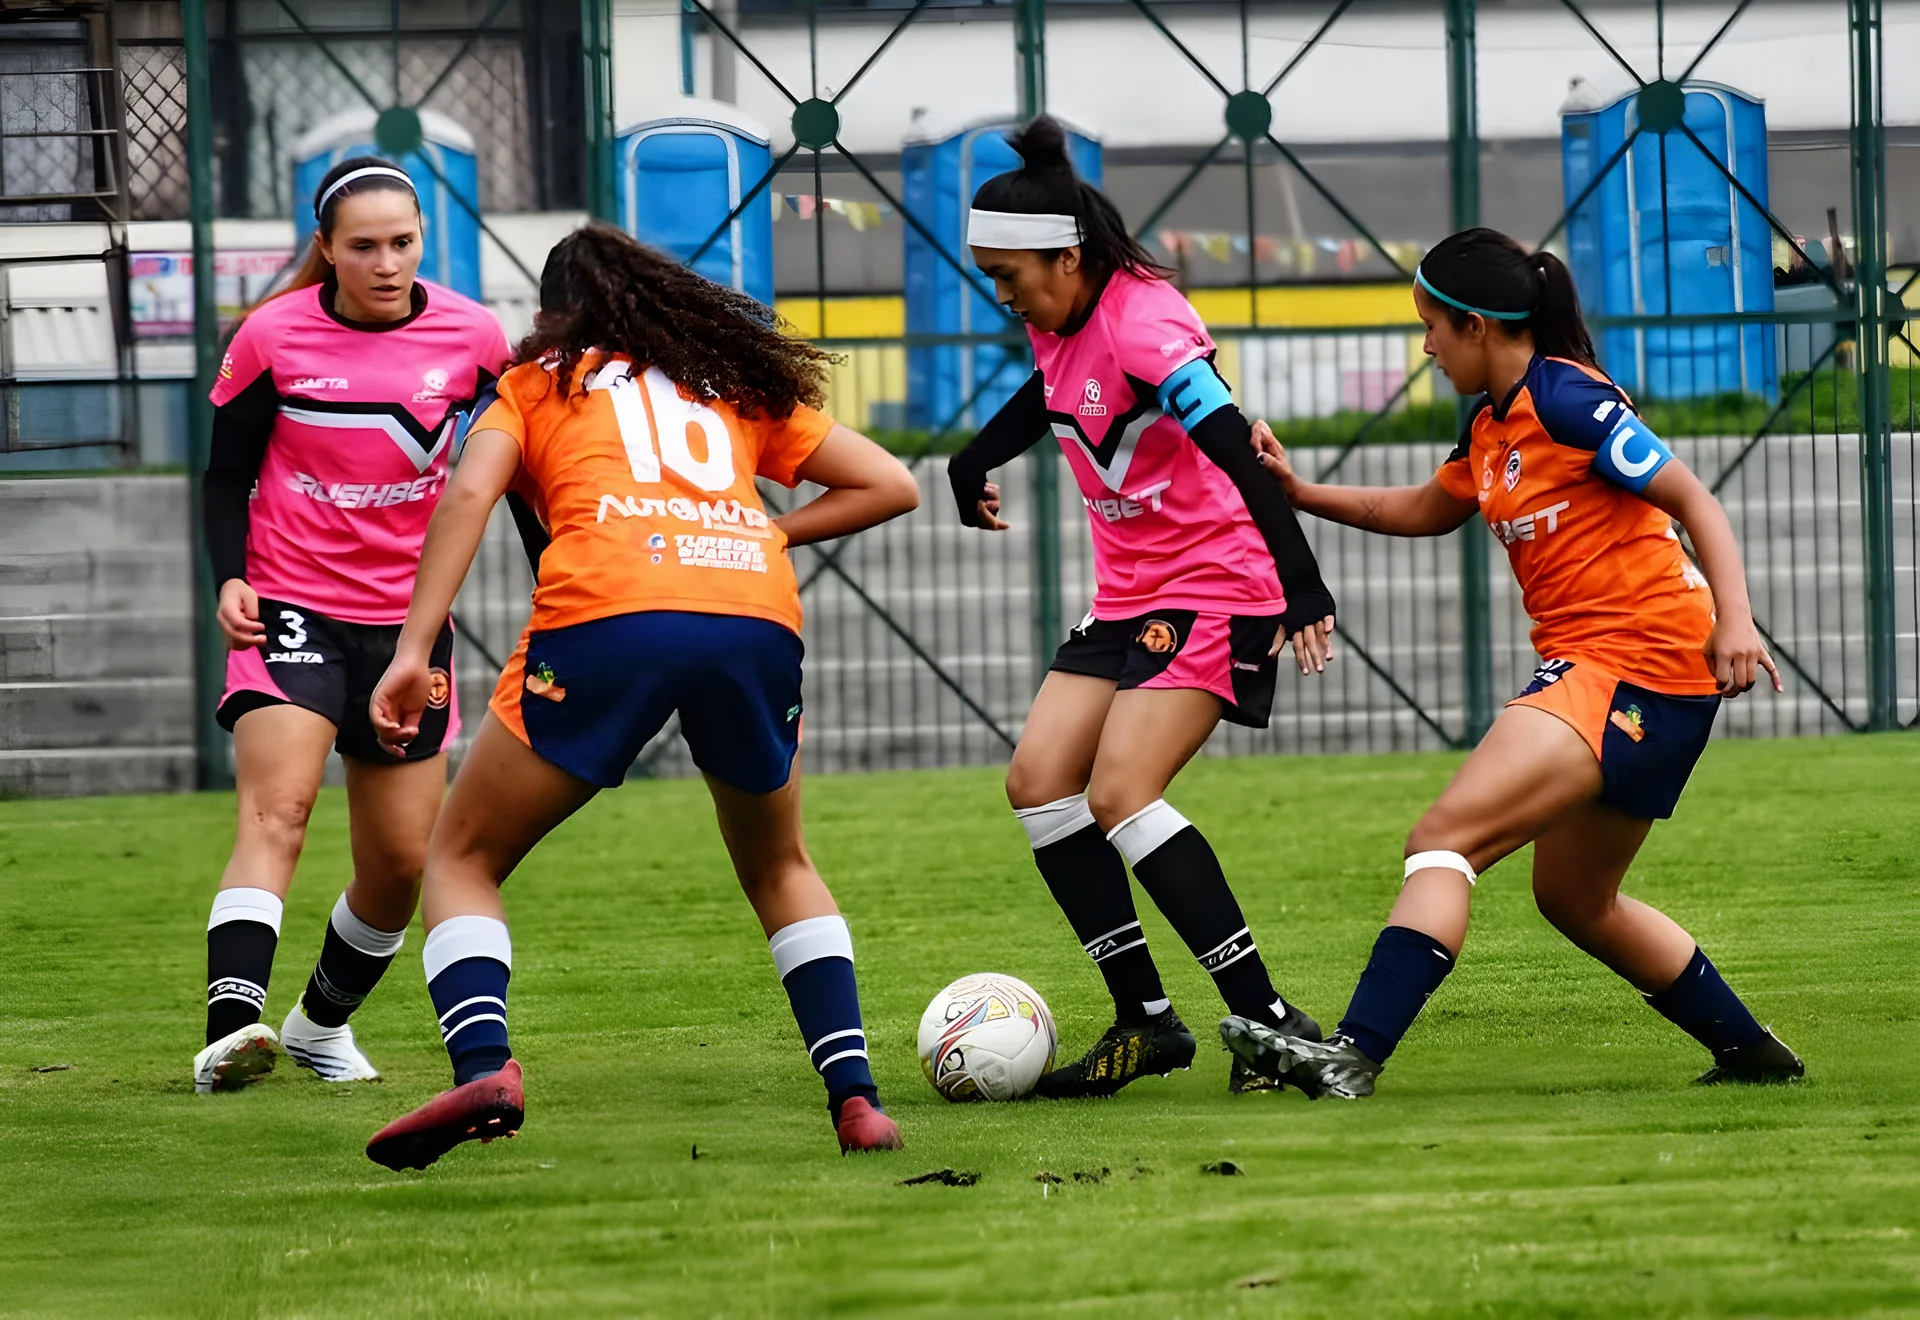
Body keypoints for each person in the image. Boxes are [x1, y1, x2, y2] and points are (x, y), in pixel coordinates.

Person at [360, 225, 920, 1170]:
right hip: (752, 614)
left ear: (552, 317)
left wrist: (413, 649)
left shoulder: (538, 384)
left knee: (461, 854)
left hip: (608, 614)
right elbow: (892, 484)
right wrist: (768, 539)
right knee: (780, 865)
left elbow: (467, 498)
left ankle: (486, 1067)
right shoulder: (725, 382)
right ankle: (856, 1099)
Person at [1222, 227, 1804, 1098]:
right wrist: (1304, 495)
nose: (1425, 345)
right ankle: (1752, 1052)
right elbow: (1423, 506)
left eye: (1431, 327)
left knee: (1443, 840)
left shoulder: (1569, 400)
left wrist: (1737, 620)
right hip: (1629, 672)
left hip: (1634, 662)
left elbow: (1693, 500)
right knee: (1575, 900)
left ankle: (1352, 1052)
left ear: (1479, 326)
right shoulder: (1492, 425)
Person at [945, 117, 1338, 1099]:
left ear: (1068, 259)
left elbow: (1239, 451)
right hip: (1127, 596)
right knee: (1038, 782)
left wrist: (1302, 586)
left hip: (1218, 584)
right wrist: (972, 458)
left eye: (1008, 277)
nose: (1003, 298)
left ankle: (1268, 1018)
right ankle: (1147, 1019)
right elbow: (1055, 392)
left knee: (1120, 791)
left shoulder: (1147, 324)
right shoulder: (1058, 315)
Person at [194, 156, 510, 1094]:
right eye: (363, 246)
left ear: (424, 241)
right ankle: (230, 1028)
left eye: (402, 243)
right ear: (326, 249)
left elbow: (514, 476)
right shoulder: (272, 335)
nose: (385, 262)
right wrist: (231, 577)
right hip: (289, 608)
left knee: (402, 866)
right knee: (278, 811)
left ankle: (318, 1027)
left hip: (412, 631)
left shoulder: (476, 337)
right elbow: (224, 476)